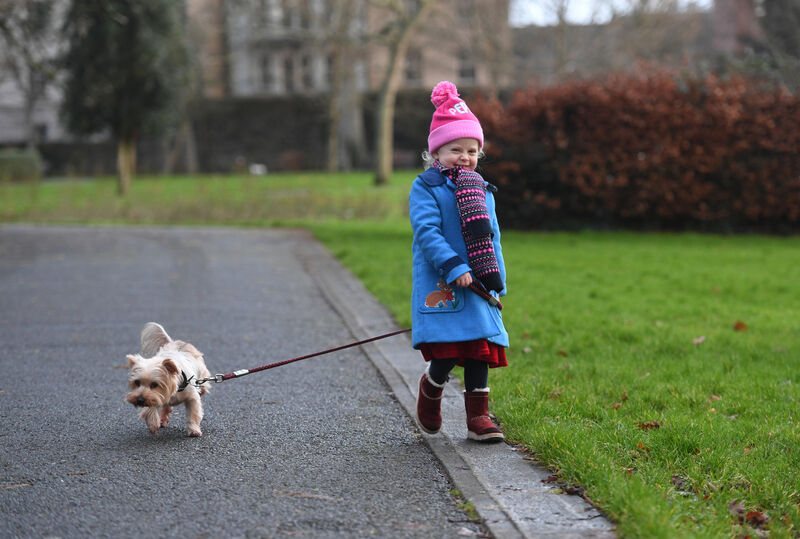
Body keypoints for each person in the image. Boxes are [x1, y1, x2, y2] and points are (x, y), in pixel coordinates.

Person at [409, 81, 508, 443]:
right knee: (450, 347)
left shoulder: (481, 189)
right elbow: (427, 232)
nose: (464, 157)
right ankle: (432, 389)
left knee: (479, 345)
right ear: (436, 152)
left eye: (471, 150)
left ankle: (478, 417)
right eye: (455, 149)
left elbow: (492, 236)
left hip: (480, 282)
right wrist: (453, 266)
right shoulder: (427, 188)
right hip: (445, 279)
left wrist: (498, 280)